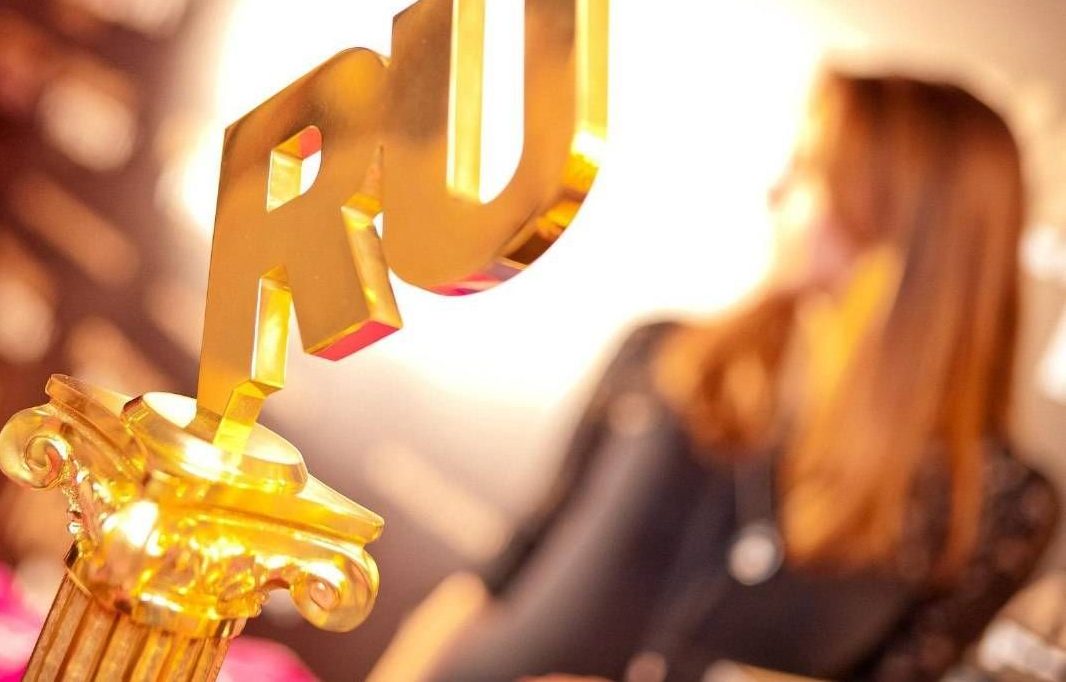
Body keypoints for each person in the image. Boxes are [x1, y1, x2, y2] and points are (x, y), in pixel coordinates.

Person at [369, 71, 1060, 682]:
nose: (776, 193)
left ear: (900, 221)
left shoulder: (995, 506)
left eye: (813, 172)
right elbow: (497, 575)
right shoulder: (667, 356)